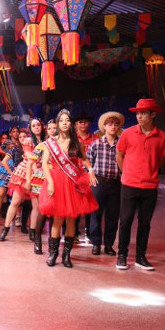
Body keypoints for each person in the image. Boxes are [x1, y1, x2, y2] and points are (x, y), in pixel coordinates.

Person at [40, 109, 98, 268]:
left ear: (71, 123)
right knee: (57, 219)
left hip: (72, 183)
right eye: (61, 120)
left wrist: (91, 170)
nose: (64, 123)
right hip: (56, 182)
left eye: (67, 120)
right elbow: (44, 163)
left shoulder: (76, 142)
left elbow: (84, 159)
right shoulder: (51, 142)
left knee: (71, 220)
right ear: (58, 123)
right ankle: (53, 254)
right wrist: (50, 182)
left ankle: (66, 255)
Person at [116, 99, 165, 271]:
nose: (139, 116)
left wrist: (150, 169)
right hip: (129, 184)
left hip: (150, 186)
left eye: (143, 113)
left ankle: (140, 257)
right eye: (137, 113)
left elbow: (162, 159)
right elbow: (119, 154)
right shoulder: (128, 133)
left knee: (145, 223)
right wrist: (126, 173)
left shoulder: (162, 137)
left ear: (153, 114)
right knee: (126, 220)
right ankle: (122, 255)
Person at [0, 120, 46, 242]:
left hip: (39, 172)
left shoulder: (46, 141)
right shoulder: (28, 141)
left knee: (36, 206)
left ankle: (33, 231)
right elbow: (31, 159)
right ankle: (5, 229)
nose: (36, 127)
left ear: (42, 126)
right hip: (26, 171)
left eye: (38, 125)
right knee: (15, 202)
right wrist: (37, 174)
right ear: (31, 128)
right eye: (33, 126)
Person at [87, 111, 124, 257]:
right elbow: (87, 162)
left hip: (116, 183)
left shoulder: (122, 144)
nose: (113, 127)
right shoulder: (96, 144)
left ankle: (109, 244)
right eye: (110, 124)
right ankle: (96, 243)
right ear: (104, 127)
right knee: (96, 213)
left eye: (115, 124)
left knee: (113, 215)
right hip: (99, 182)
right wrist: (90, 174)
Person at [28, 119, 57, 254]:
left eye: (55, 128)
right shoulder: (43, 145)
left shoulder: (63, 145)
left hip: (58, 179)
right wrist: (29, 179)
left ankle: (52, 242)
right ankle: (37, 239)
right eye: (50, 128)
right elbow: (30, 163)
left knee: (55, 211)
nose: (53, 131)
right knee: (43, 209)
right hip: (44, 179)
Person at [74, 112, 98, 242]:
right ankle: (73, 232)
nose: (83, 124)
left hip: (90, 174)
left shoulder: (95, 139)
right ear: (76, 124)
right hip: (74, 174)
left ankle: (89, 232)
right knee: (74, 203)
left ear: (89, 123)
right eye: (80, 121)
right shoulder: (72, 139)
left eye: (85, 121)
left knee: (90, 203)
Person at [0, 128, 19, 225]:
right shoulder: (7, 143)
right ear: (10, 134)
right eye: (13, 131)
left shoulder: (21, 142)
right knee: (1, 194)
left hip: (17, 169)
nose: (16, 133)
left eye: (17, 131)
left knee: (17, 194)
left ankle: (18, 216)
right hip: (6, 168)